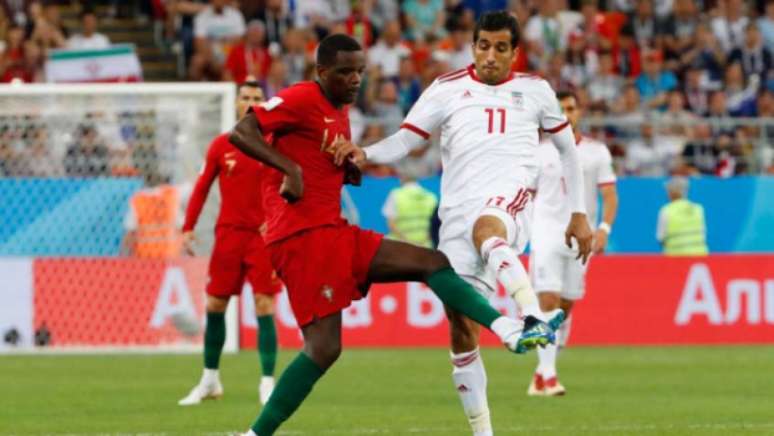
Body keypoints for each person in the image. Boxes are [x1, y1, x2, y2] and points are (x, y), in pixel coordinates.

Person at [229, 33, 557, 436]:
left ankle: (506, 328)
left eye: (360, 72)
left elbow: (316, 158)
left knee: (427, 267)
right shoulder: (300, 97)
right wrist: (290, 171)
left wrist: (343, 168)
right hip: (302, 237)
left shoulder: (339, 111)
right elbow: (241, 132)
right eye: (345, 72)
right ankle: (254, 434)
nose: (355, 80)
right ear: (321, 72)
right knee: (324, 346)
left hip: (329, 231)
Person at [334, 12, 593, 436]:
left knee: (487, 230)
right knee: (460, 326)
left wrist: (579, 213)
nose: (491, 56)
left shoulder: (536, 91)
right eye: (484, 46)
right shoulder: (447, 89)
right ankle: (483, 432)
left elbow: (567, 151)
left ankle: (532, 316)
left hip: (508, 202)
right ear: (473, 47)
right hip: (455, 214)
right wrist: (365, 153)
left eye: (501, 48)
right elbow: (406, 140)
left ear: (514, 52)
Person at [177, 81, 282, 407]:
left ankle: (267, 382)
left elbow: (291, 185)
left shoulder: (276, 145)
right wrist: (188, 226)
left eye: (256, 98)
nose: (250, 103)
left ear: (264, 104)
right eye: (245, 97)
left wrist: (279, 221)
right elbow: (202, 186)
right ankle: (210, 379)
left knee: (265, 303)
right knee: (215, 305)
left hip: (262, 238)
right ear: (237, 103)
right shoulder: (222, 145)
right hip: (229, 236)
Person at [529, 90, 619, 397]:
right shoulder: (537, 152)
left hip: (581, 236)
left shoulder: (596, 152)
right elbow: (526, 195)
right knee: (548, 300)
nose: (566, 114)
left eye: (571, 108)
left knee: (566, 305)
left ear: (579, 112)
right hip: (545, 231)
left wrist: (604, 228)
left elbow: (609, 195)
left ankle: (540, 373)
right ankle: (550, 376)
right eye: (560, 109)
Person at [381, 168, 438, 247]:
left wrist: (408, 242)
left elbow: (391, 223)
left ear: (402, 177)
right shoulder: (431, 197)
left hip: (401, 246)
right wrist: (422, 242)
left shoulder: (395, 195)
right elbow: (436, 225)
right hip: (426, 246)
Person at [656, 177, 708, 256]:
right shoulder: (698, 209)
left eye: (668, 190)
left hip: (675, 258)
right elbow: (703, 235)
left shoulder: (666, 210)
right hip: (699, 257)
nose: (667, 193)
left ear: (672, 192)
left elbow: (660, 238)